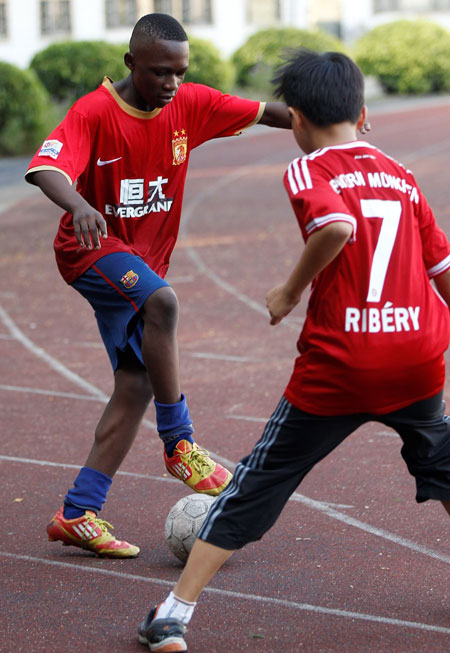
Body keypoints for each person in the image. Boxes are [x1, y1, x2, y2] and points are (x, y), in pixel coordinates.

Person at [137, 49, 450, 652]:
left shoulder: (311, 170)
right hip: (417, 355)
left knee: (261, 478)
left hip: (344, 364)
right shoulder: (401, 175)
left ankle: (174, 614)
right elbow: (443, 267)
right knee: (442, 465)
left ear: (297, 119)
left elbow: (335, 227)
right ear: (364, 115)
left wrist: (288, 290)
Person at [24, 12, 299, 558]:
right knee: (162, 302)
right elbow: (45, 168)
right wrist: (78, 204)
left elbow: (270, 113)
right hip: (90, 252)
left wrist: (333, 121)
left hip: (141, 260)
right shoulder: (94, 112)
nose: (171, 85)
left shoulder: (188, 104)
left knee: (136, 383)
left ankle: (78, 512)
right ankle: (180, 445)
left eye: (179, 72)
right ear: (130, 64)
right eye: (158, 73)